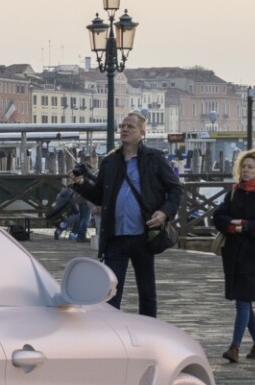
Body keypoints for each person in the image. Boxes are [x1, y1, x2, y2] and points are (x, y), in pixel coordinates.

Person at [77, 112, 180, 317]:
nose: (124, 129)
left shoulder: (155, 158)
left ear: (142, 132)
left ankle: (149, 332)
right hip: (115, 236)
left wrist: (164, 213)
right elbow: (100, 196)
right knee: (111, 291)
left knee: (147, 291)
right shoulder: (110, 161)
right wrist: (79, 184)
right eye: (122, 126)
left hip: (144, 234)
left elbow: (176, 190)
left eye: (130, 127)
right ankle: (111, 335)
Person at [212, 149, 255, 363]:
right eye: (244, 167)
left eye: (250, 167)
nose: (246, 170)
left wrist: (245, 226)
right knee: (244, 301)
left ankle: (235, 347)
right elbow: (219, 216)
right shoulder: (234, 192)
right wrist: (232, 226)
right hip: (233, 253)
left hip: (254, 255)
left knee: (242, 301)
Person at [51, 168, 92, 241]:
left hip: (76, 202)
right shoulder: (82, 179)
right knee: (85, 219)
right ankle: (80, 236)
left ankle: (74, 234)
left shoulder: (72, 185)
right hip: (85, 200)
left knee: (79, 218)